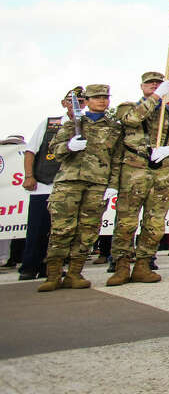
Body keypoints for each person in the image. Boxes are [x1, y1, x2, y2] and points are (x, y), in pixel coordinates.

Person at [38, 84, 121, 292]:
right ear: (87, 101)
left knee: (88, 231)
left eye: (105, 97)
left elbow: (117, 159)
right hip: (69, 183)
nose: (102, 101)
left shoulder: (114, 127)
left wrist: (113, 185)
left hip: (97, 184)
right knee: (61, 230)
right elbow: (54, 151)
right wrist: (69, 146)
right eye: (96, 97)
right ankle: (53, 275)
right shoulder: (73, 124)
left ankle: (75, 273)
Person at [107, 71, 169, 286]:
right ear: (142, 86)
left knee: (155, 223)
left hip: (161, 172)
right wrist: (155, 97)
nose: (154, 86)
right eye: (150, 84)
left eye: (158, 84)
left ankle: (143, 263)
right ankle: (121, 264)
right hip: (134, 171)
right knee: (126, 221)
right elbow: (133, 119)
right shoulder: (127, 107)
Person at [19, 87, 81, 281]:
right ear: (64, 103)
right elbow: (31, 151)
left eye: (81, 100)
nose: (77, 104)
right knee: (37, 228)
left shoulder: (87, 124)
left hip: (71, 185)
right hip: (45, 184)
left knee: (62, 231)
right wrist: (29, 176)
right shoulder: (50, 124)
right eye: (72, 100)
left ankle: (52, 267)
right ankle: (29, 266)